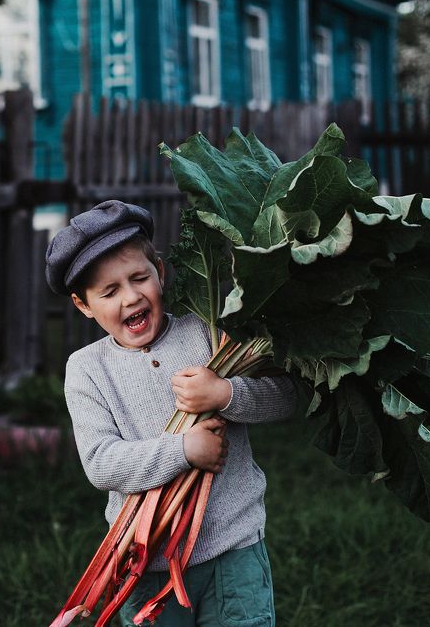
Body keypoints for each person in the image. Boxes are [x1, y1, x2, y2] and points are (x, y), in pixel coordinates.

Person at [45, 200, 300, 626]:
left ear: (160, 274)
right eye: (109, 292)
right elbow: (101, 462)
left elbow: (287, 397)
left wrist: (224, 393)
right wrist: (184, 449)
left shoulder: (209, 333)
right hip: (144, 566)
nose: (130, 297)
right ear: (83, 304)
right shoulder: (87, 369)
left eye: (139, 278)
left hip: (233, 551)